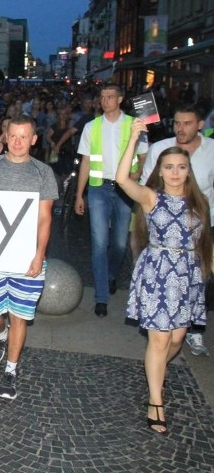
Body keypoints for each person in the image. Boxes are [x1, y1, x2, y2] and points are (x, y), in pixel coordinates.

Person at [118, 118, 211, 434]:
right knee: (159, 340)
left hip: (187, 275)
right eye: (168, 167)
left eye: (181, 167)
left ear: (188, 170)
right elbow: (121, 179)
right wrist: (133, 138)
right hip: (157, 272)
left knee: (176, 338)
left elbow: (204, 241)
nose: (174, 172)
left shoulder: (200, 202)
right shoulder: (150, 197)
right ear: (159, 170)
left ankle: (155, 370)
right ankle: (155, 400)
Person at [0, 115, 58, 400]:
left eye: (25, 136)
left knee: (19, 315)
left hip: (26, 257)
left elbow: (45, 218)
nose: (18, 142)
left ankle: (11, 370)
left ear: (34, 139)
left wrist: (39, 256)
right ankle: (1, 335)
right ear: (5, 137)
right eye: (14, 136)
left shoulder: (43, 172)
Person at [140, 104, 214, 357]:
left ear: (200, 125)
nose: (181, 128)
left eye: (187, 123)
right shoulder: (160, 149)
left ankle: (191, 327)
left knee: (198, 280)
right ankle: (159, 352)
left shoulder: (212, 151)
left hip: (203, 224)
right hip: (165, 227)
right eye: (177, 123)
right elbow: (146, 183)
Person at [75, 84, 148, 317]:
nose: (105, 101)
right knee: (99, 243)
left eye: (109, 97)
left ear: (120, 99)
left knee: (119, 243)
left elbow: (144, 154)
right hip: (98, 189)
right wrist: (80, 194)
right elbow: (85, 161)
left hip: (125, 190)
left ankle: (111, 275)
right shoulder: (91, 127)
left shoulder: (133, 124)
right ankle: (101, 297)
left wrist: (136, 176)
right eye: (102, 97)